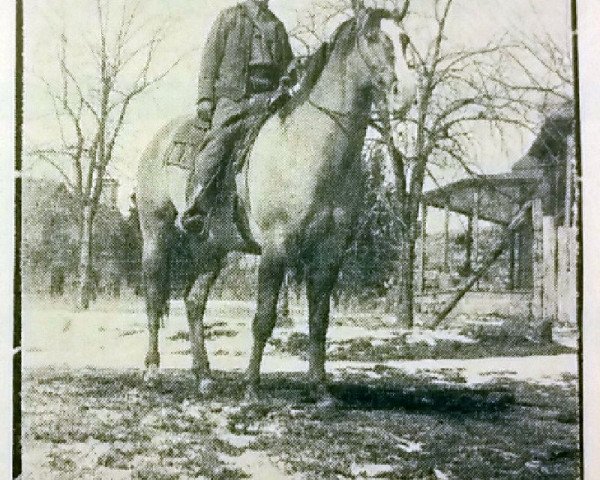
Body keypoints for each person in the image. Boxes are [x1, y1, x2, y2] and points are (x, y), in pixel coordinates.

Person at [178, 0, 293, 233]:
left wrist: (288, 80)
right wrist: (205, 99)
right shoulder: (229, 18)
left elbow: (289, 67)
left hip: (268, 101)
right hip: (233, 99)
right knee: (218, 141)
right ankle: (197, 206)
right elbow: (210, 59)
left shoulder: (276, 26)